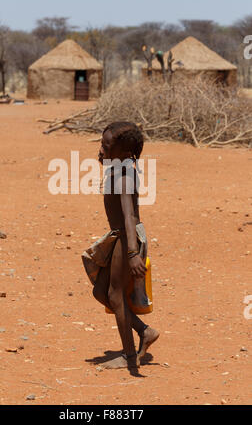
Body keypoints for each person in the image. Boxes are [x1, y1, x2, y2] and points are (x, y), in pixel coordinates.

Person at [82, 121, 159, 371]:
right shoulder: (121, 165)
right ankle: (144, 331)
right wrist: (106, 160)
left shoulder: (125, 175)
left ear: (124, 153)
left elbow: (128, 215)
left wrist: (133, 253)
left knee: (114, 294)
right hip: (120, 237)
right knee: (101, 292)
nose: (101, 149)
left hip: (127, 239)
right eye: (101, 143)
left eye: (106, 145)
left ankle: (129, 357)